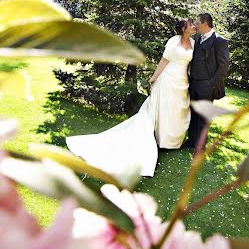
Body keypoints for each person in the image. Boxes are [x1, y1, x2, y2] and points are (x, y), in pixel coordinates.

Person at [66, 19, 196, 178]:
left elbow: (189, 64)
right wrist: (154, 78)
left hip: (181, 80)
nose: (194, 26)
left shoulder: (193, 42)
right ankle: (160, 140)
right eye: (191, 25)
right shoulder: (173, 42)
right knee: (165, 108)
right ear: (183, 28)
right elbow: (164, 61)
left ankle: (172, 142)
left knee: (176, 110)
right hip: (167, 79)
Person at [185, 13, 230, 150]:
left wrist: (211, 84)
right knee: (193, 112)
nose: (195, 25)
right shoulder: (198, 38)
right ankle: (191, 141)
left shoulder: (219, 41)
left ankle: (200, 144)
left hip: (207, 85)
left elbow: (224, 65)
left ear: (205, 24)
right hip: (193, 82)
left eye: (197, 23)